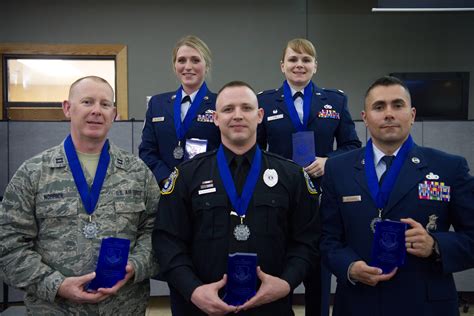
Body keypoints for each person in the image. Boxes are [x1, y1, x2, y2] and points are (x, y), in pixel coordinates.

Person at [153, 81, 320, 315]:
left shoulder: (291, 176)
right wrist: (193, 290)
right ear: (215, 118)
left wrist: (286, 282)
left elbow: (307, 240)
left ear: (260, 115)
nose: (238, 116)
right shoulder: (187, 175)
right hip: (202, 308)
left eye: (247, 108)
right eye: (228, 109)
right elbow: (168, 241)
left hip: (271, 308)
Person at [0, 76, 160, 315]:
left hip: (123, 307)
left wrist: (135, 266)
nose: (97, 110)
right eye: (87, 102)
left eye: (105, 104)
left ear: (114, 114)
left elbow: (158, 232)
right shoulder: (34, 173)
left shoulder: (137, 172)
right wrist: (57, 285)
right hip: (55, 308)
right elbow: (8, 244)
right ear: (67, 108)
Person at [320, 76, 474, 316]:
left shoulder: (449, 168)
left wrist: (436, 245)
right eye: (379, 107)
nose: (388, 113)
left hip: (426, 305)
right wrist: (349, 267)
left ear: (412, 115)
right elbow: (326, 238)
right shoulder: (337, 169)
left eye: (397, 105)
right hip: (357, 303)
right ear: (365, 118)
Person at [257, 38, 361, 315]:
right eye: (293, 59)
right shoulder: (264, 101)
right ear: (282, 66)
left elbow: (352, 146)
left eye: (306, 60)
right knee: (279, 268)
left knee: (319, 272)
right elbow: (255, 150)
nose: (299, 65)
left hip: (322, 197)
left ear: (315, 66)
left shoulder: (335, 101)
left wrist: (329, 162)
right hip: (279, 196)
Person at [139, 35, 220, 188]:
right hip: (165, 189)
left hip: (207, 188)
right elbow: (147, 151)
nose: (188, 66)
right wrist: (167, 180)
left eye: (195, 60)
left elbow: (226, 150)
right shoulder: (157, 104)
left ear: (206, 66)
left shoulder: (220, 103)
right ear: (174, 66)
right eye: (181, 60)